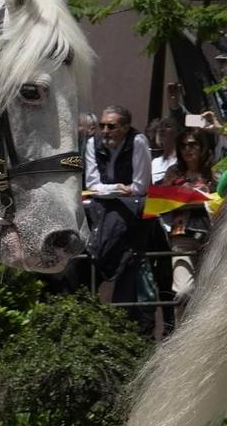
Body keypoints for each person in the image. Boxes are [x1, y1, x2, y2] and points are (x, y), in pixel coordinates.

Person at [85, 106, 153, 325]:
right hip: (102, 204)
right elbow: (93, 185)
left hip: (130, 206)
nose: (105, 131)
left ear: (125, 127)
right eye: (102, 126)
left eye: (111, 126)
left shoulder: (138, 142)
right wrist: (115, 189)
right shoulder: (92, 143)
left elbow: (140, 187)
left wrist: (112, 191)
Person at [161, 128, 219, 309]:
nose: (188, 149)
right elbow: (162, 202)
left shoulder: (215, 171)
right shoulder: (173, 173)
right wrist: (181, 194)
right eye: (183, 145)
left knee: (209, 292)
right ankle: (181, 334)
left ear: (202, 147)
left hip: (212, 237)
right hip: (182, 235)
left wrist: (205, 195)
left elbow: (224, 197)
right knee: (183, 291)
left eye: (193, 144)